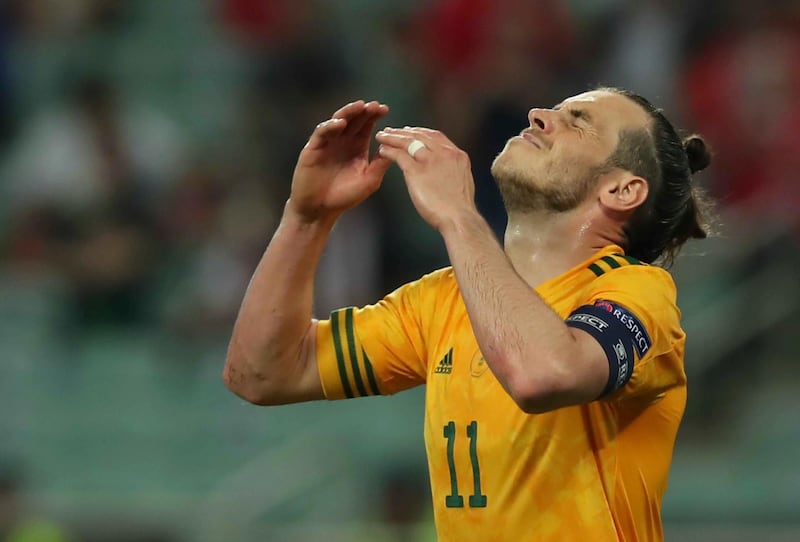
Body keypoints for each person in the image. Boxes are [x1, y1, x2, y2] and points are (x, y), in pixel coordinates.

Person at [223, 88, 713, 541]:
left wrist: (457, 214)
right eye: (554, 110)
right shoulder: (443, 301)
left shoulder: (639, 292)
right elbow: (262, 374)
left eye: (578, 121)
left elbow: (544, 373)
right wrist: (307, 217)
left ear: (622, 191)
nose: (539, 116)